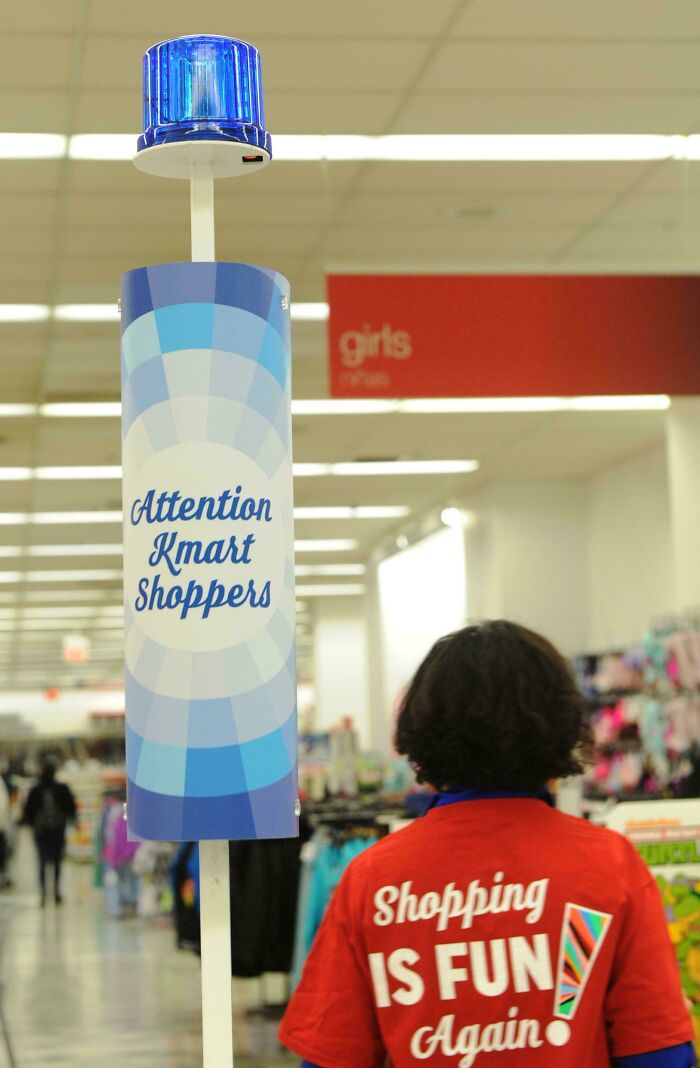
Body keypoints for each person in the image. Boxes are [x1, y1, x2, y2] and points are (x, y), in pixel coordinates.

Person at [280, 621, 696, 1068]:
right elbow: (659, 1055)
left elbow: (330, 1058)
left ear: (421, 730)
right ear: (560, 725)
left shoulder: (372, 879)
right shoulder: (609, 865)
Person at [22, 762, 77, 906]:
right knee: (57, 862)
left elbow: (28, 811)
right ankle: (56, 892)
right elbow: (71, 808)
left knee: (42, 862)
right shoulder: (61, 789)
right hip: (57, 830)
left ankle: (44, 894)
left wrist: (33, 824)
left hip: (41, 832)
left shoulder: (36, 790)